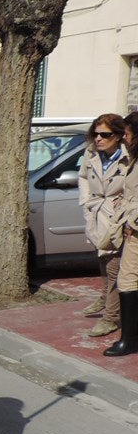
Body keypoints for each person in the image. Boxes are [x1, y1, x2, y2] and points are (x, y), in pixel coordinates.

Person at [78, 114, 129, 337]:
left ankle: (110, 317)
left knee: (114, 268)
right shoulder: (91, 153)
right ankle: (105, 297)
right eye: (96, 133)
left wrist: (123, 205)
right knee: (103, 261)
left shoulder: (129, 158)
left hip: (117, 218)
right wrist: (86, 202)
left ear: (117, 136)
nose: (98, 138)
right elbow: (82, 177)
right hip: (96, 214)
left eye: (105, 134)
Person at [106, 111, 138, 356]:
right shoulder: (133, 159)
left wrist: (131, 222)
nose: (125, 139)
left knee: (127, 280)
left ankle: (129, 340)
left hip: (136, 231)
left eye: (127, 134)